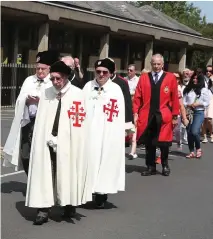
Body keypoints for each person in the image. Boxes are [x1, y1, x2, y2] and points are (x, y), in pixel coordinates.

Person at [25, 61, 92, 225]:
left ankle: (68, 204)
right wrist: (46, 136)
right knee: (45, 173)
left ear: (66, 77)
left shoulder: (77, 94)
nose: (55, 82)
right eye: (53, 78)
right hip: (47, 142)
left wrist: (65, 138)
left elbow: (79, 125)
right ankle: (43, 209)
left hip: (68, 143)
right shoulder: (47, 92)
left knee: (67, 171)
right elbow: (42, 119)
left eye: (58, 79)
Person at [3, 50, 59, 175]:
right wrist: (26, 99)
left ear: (49, 68)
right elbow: (19, 99)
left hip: (43, 124)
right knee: (25, 154)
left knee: (40, 154)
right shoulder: (29, 80)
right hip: (28, 121)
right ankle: (30, 179)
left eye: (43, 69)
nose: (39, 71)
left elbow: (54, 103)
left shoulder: (53, 82)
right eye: (37, 68)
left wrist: (40, 101)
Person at [83, 58, 125, 208]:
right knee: (88, 162)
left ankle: (101, 193)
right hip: (89, 132)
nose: (101, 74)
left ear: (111, 73)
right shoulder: (88, 86)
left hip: (107, 134)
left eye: (104, 72)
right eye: (98, 71)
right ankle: (87, 192)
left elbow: (119, 116)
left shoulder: (116, 90)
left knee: (103, 162)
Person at [133, 54, 179, 176]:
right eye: (154, 64)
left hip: (163, 115)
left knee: (164, 143)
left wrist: (175, 116)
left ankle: (165, 165)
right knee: (150, 143)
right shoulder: (144, 78)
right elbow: (137, 96)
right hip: (147, 115)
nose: (156, 66)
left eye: (159, 64)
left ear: (163, 64)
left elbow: (174, 98)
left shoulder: (170, 78)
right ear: (151, 64)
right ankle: (150, 166)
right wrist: (135, 112)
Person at [183, 72, 210, 158]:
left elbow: (207, 102)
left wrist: (199, 103)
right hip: (189, 112)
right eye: (194, 78)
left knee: (195, 131)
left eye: (197, 78)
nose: (195, 80)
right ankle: (191, 151)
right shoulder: (188, 89)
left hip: (199, 112)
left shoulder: (204, 90)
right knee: (189, 132)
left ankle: (198, 148)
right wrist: (188, 105)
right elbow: (183, 101)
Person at [202, 65, 213, 143]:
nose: (208, 72)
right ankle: (205, 136)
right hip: (202, 100)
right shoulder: (202, 79)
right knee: (203, 120)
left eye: (210, 71)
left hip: (211, 100)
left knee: (210, 120)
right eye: (207, 71)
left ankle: (212, 134)